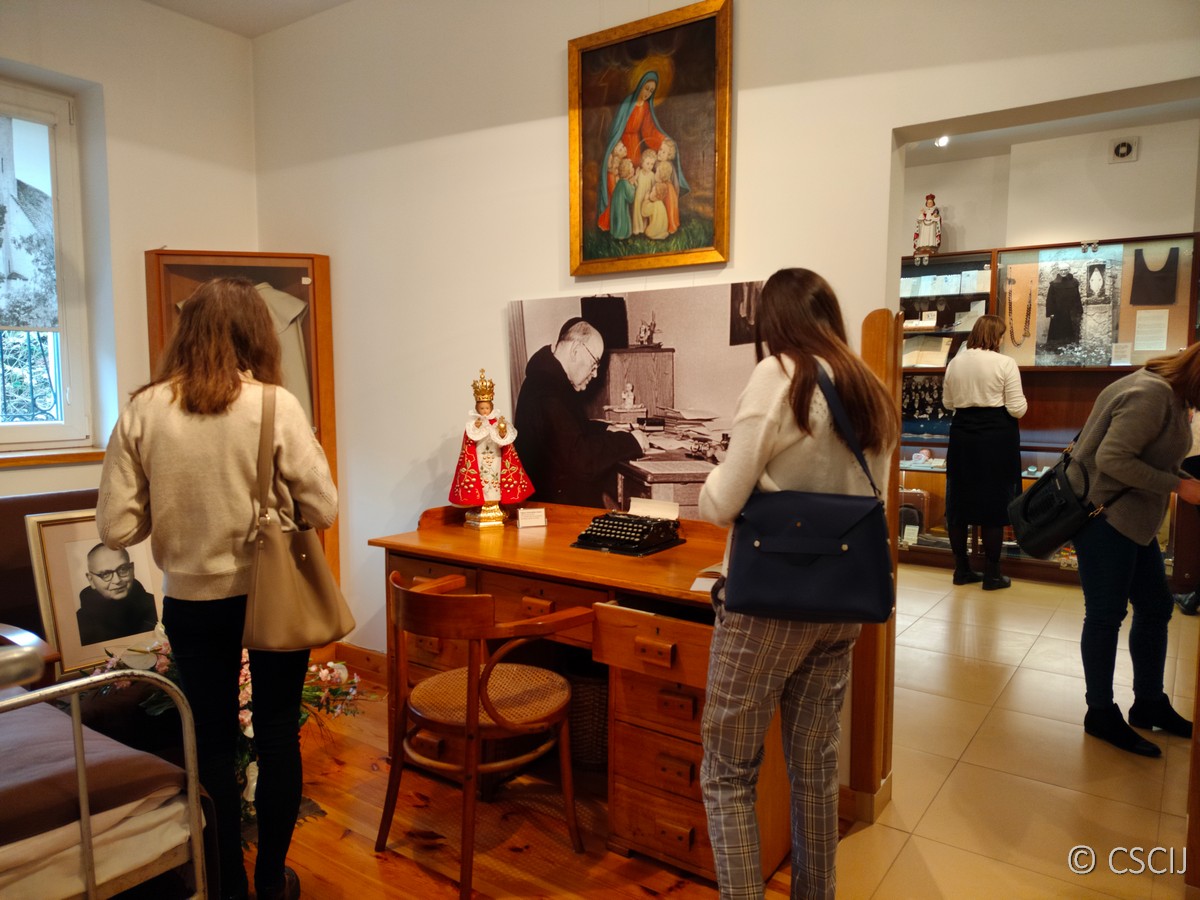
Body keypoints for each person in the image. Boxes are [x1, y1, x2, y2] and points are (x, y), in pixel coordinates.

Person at [96, 276, 337, 900]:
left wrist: (175, 502)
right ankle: (270, 881)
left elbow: (116, 527)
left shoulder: (144, 410)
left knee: (209, 741)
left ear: (186, 333)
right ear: (256, 334)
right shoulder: (275, 405)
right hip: (273, 594)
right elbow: (324, 507)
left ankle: (226, 882)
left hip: (192, 601)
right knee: (277, 733)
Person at [696, 268, 899, 899]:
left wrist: (716, 472)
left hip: (766, 609)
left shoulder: (780, 375)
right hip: (839, 607)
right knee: (814, 770)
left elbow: (721, 503)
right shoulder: (869, 387)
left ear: (774, 323)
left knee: (727, 771)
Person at [1066, 343, 1200, 756]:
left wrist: (1180, 478)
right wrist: (1179, 486)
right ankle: (1100, 712)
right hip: (1105, 518)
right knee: (1105, 615)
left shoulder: (1168, 391)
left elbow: (1148, 455)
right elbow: (1113, 459)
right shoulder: (1152, 394)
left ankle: (1149, 702)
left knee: (1156, 607)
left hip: (1131, 520)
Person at [513, 317, 647, 508]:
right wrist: (631, 441)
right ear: (575, 351)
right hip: (554, 511)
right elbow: (583, 461)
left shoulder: (547, 380)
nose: (595, 374)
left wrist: (607, 428)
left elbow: (571, 430)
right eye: (594, 363)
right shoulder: (547, 393)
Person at [941, 315, 1028, 589]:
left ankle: (961, 570)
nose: (1002, 341)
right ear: (995, 337)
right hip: (996, 437)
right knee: (994, 503)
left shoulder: (955, 363)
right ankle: (992, 574)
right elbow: (1017, 408)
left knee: (958, 503)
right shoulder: (1005, 363)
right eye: (1001, 336)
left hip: (962, 434)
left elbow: (948, 403)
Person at [595, 71, 689, 232]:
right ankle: (615, 221)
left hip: (636, 148)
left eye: (651, 91)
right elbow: (617, 128)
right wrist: (616, 148)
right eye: (647, 88)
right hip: (623, 147)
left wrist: (663, 140)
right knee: (619, 183)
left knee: (638, 184)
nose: (647, 93)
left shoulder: (645, 107)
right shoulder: (627, 104)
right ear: (640, 86)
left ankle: (636, 222)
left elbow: (649, 130)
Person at [448, 368, 534, 507]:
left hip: (495, 455)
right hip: (480, 455)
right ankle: (482, 502)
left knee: (495, 476)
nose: (484, 411)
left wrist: (502, 432)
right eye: (482, 408)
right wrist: (476, 428)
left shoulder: (497, 422)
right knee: (482, 477)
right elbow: (470, 442)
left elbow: (503, 441)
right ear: (477, 409)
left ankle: (495, 501)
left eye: (487, 408)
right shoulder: (472, 424)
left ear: (491, 408)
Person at [76, 544, 158, 645]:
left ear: (132, 569)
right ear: (91, 580)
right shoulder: (79, 623)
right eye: (105, 574)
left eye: (123, 569)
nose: (117, 580)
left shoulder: (156, 605)